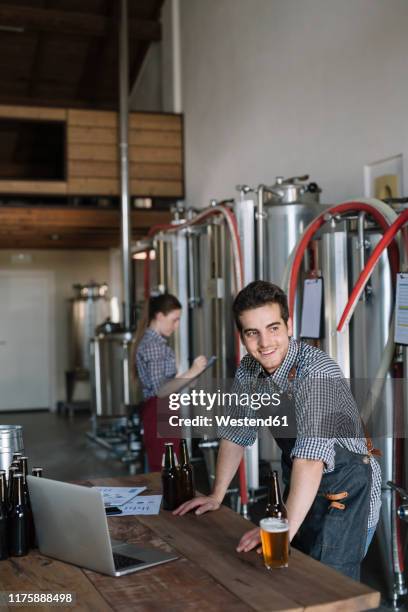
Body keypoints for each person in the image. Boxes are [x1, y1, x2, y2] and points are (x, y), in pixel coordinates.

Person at [174, 281, 381, 580]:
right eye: (252, 333)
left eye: (273, 328)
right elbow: (236, 431)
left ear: (288, 325)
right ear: (242, 336)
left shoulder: (317, 374)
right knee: (292, 575)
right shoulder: (249, 369)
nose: (265, 342)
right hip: (301, 487)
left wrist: (281, 531)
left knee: (329, 586)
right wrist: (217, 494)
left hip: (348, 492)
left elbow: (310, 460)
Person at [135, 293, 207, 471]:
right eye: (174, 319)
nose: (176, 326)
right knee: (164, 473)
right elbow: (161, 390)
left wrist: (192, 377)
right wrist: (192, 371)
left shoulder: (159, 343)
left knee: (170, 469)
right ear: (159, 316)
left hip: (165, 413)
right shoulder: (153, 345)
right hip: (158, 413)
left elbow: (170, 385)